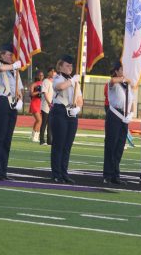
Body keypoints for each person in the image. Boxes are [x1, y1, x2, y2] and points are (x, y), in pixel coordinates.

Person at [0, 44, 22, 181]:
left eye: (11, 55)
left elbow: (18, 89)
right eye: (8, 54)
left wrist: (19, 98)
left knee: (7, 140)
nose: (10, 57)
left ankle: (3, 170)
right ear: (1, 55)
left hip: (11, 105)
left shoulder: (15, 71)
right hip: (1, 103)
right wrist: (14, 66)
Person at [50, 55, 82, 184]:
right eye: (67, 65)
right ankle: (56, 173)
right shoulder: (57, 78)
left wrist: (78, 108)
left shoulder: (74, 81)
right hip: (60, 112)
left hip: (71, 113)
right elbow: (60, 87)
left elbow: (80, 99)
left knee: (67, 145)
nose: (70, 68)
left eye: (71, 66)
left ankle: (64, 172)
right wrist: (72, 81)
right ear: (60, 66)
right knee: (59, 144)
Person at [103, 61, 134, 185]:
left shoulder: (127, 85)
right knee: (111, 145)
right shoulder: (114, 83)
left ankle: (116, 174)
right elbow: (111, 82)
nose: (124, 73)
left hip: (124, 117)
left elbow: (131, 101)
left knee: (120, 147)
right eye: (122, 70)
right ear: (116, 71)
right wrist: (122, 78)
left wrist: (131, 113)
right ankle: (107, 175)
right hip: (115, 115)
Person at [40, 68, 56, 146]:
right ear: (48, 72)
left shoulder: (54, 82)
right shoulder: (46, 81)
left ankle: (50, 140)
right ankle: (42, 140)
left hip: (52, 105)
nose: (53, 73)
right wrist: (49, 103)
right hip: (46, 105)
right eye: (51, 71)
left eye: (54, 71)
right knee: (44, 123)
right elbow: (45, 93)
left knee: (50, 124)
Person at [29, 72, 43, 142]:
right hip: (35, 103)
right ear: (37, 76)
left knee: (38, 121)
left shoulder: (44, 83)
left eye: (42, 75)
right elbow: (31, 94)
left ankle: (33, 135)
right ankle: (35, 137)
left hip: (41, 104)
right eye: (40, 75)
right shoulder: (34, 84)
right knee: (39, 120)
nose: (41, 76)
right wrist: (38, 92)